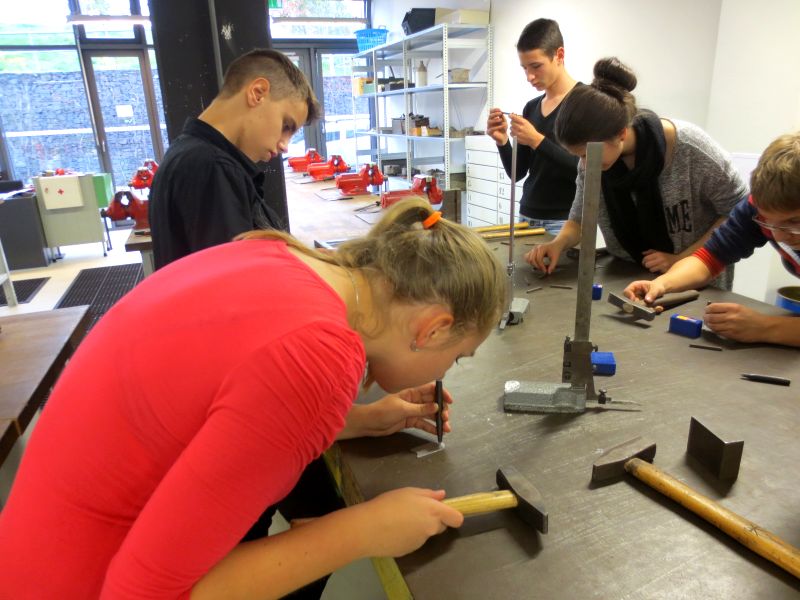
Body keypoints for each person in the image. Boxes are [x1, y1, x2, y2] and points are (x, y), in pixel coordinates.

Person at [0, 199, 506, 599]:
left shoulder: (277, 256)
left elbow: (219, 411)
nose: (447, 370)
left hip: (28, 559)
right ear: (432, 329)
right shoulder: (321, 356)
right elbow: (147, 593)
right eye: (458, 356)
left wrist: (359, 421)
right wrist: (366, 529)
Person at [527, 57, 747, 281]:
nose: (584, 165)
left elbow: (738, 212)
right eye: (578, 156)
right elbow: (578, 220)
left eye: (585, 155)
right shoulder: (595, 160)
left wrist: (681, 259)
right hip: (630, 275)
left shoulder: (691, 149)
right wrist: (557, 244)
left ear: (621, 133)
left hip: (696, 281)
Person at [149, 48, 319, 270]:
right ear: (258, 93)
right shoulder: (213, 168)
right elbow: (235, 281)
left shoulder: (185, 152)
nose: (284, 145)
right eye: (286, 126)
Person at [624, 132, 800, 347]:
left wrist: (765, 327)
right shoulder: (758, 207)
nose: (779, 236)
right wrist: (662, 284)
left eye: (794, 221)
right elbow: (708, 258)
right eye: (767, 220)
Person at [486, 18, 582, 235]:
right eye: (525, 68)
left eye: (536, 66)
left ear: (559, 55)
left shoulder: (585, 102)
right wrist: (503, 141)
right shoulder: (531, 107)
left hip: (564, 220)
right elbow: (517, 173)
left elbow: (585, 170)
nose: (529, 76)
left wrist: (537, 140)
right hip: (527, 215)